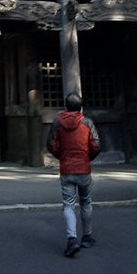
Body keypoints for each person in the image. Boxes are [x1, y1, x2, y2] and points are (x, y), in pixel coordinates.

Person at [46, 92, 101, 257]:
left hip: (67, 169)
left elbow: (51, 144)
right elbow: (96, 145)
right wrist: (86, 158)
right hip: (83, 169)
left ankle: (71, 238)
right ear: (80, 106)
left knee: (68, 204)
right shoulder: (87, 122)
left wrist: (62, 157)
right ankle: (87, 236)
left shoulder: (58, 122)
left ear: (66, 106)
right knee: (86, 202)